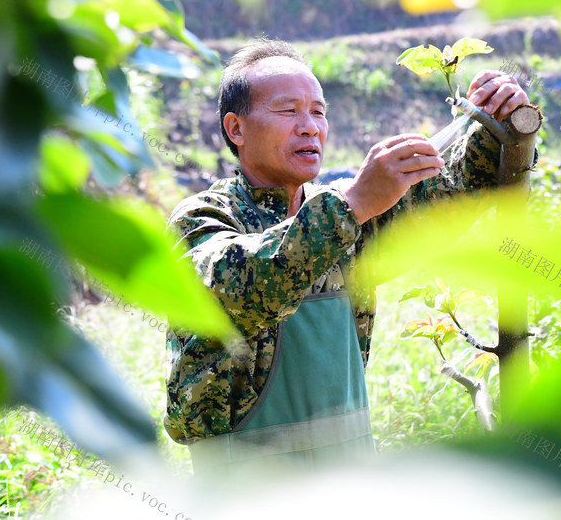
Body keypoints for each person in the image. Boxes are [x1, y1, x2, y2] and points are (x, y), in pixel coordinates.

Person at [163, 37, 535, 470]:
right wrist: (354, 202)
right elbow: (235, 286)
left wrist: (494, 126)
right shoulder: (204, 218)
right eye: (288, 111)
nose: (310, 126)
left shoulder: (348, 218)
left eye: (318, 111)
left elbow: (450, 197)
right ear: (236, 129)